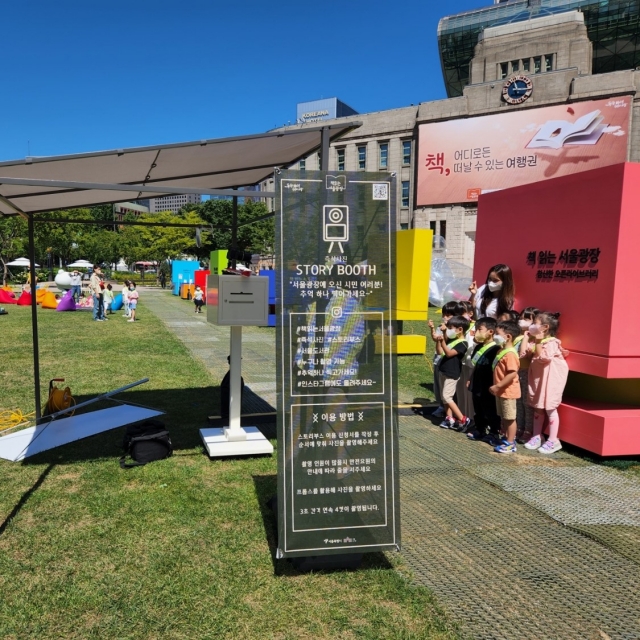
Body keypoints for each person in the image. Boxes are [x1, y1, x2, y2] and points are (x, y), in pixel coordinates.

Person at [521, 311, 569, 454]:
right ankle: (537, 436)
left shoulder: (552, 342)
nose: (532, 325)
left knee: (550, 407)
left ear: (545, 327)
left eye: (535, 323)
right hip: (538, 380)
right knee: (538, 406)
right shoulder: (535, 341)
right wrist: (526, 338)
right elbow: (523, 354)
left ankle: (553, 440)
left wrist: (537, 342)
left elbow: (544, 357)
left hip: (550, 380)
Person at [466, 317, 502, 443]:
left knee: (489, 408)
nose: (476, 332)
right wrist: (470, 378)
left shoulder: (496, 349)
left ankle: (494, 431)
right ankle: (480, 428)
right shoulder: (478, 347)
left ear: (490, 332)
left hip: (488, 384)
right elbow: (475, 365)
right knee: (478, 407)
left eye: (480, 329)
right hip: (476, 383)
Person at [434, 315, 472, 431]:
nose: (448, 329)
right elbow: (440, 351)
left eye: (451, 327)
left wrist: (443, 342)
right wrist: (439, 341)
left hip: (452, 373)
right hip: (443, 370)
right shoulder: (451, 339)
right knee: (444, 397)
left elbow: (450, 353)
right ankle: (449, 418)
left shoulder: (463, 343)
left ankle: (463, 419)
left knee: (447, 396)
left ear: (460, 329)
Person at [490, 319, 521, 454]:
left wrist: (498, 386)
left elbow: (512, 373)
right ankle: (506, 437)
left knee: (509, 418)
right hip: (501, 391)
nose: (494, 336)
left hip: (508, 391)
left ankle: (510, 442)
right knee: (504, 416)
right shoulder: (502, 351)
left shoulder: (510, 354)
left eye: (497, 333)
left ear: (508, 336)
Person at [428, 301, 464, 418]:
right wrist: (433, 329)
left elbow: (447, 343)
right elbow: (436, 340)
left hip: (450, 365)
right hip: (439, 360)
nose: (444, 317)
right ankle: (441, 407)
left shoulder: (456, 332)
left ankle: (456, 414)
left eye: (448, 315)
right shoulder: (441, 327)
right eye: (444, 314)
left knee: (449, 390)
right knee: (439, 386)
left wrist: (445, 332)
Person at [515, 306, 540, 443]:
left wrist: (526, 337)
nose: (521, 321)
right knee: (519, 402)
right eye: (521, 317)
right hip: (518, 373)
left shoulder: (534, 339)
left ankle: (528, 430)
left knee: (527, 403)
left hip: (528, 374)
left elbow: (523, 354)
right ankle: (519, 427)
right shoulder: (518, 337)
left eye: (526, 318)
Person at [456, 300, 476, 425]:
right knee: (460, 392)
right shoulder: (458, 327)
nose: (460, 316)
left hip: (471, 365)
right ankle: (462, 416)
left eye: (462, 313)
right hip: (460, 364)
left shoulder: (476, 327)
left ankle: (472, 419)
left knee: (469, 394)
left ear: (471, 313)